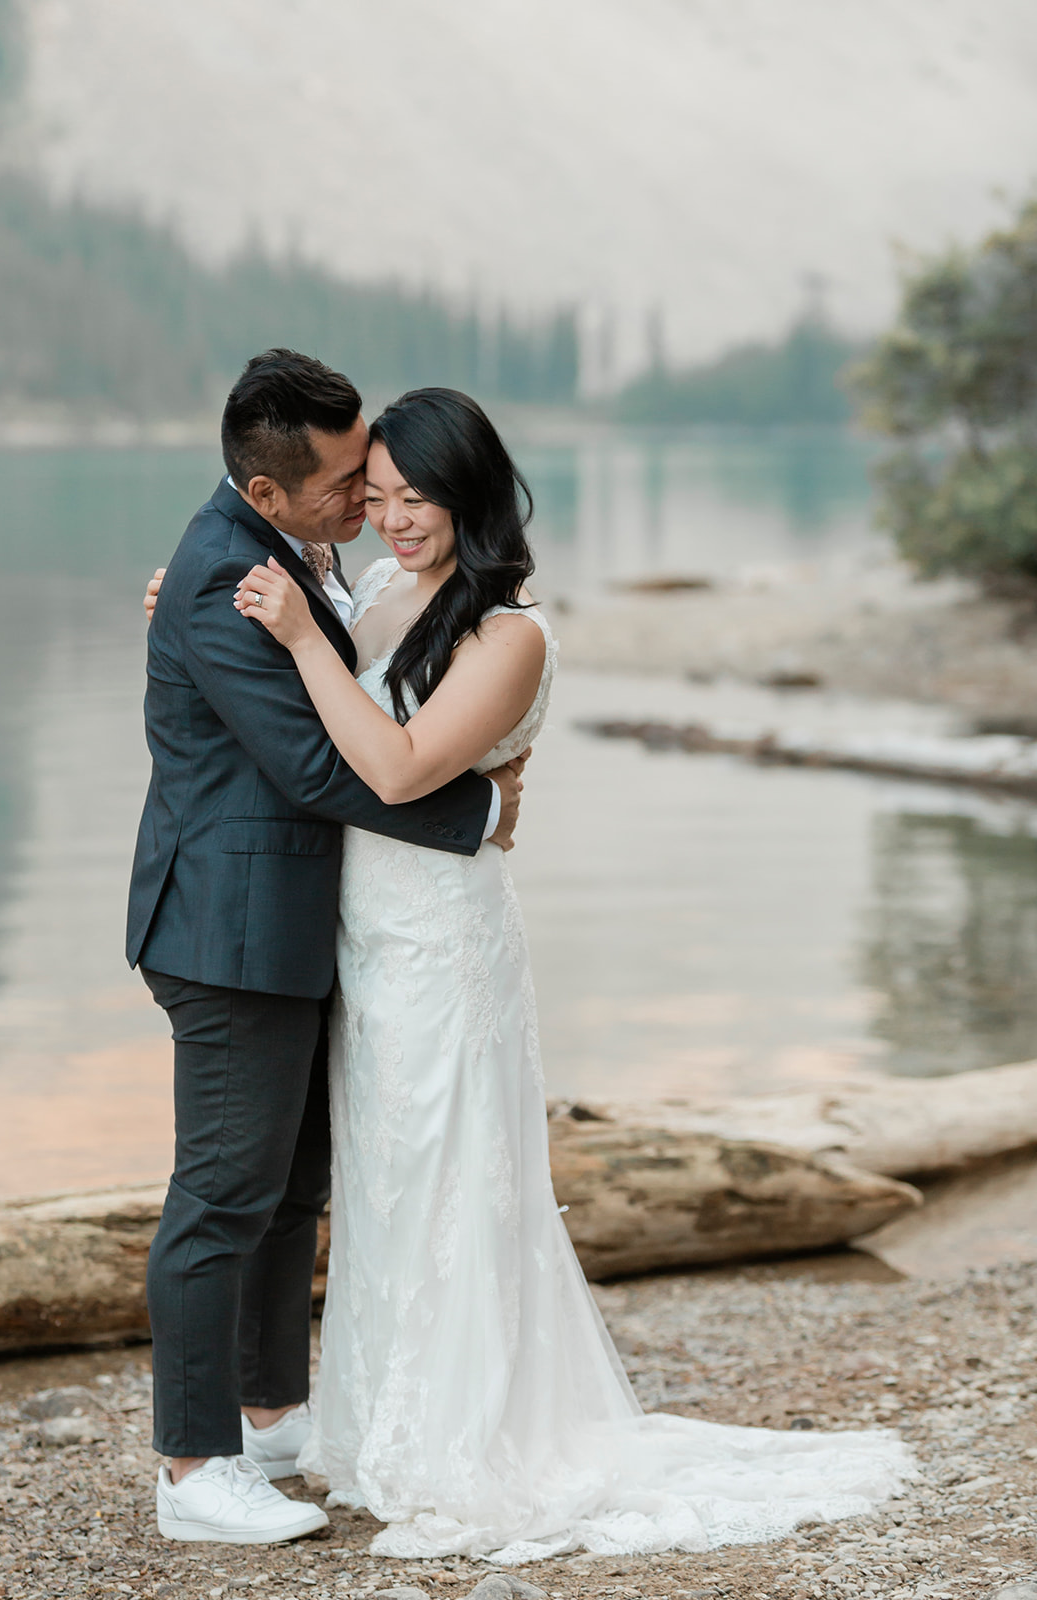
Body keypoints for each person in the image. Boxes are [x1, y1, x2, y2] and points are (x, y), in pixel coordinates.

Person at [217, 385, 917, 1561]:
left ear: (472, 493)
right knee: (387, 1185)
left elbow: (390, 769)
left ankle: (472, 1438)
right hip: (368, 940)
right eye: (375, 496)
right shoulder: (385, 591)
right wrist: (210, 614)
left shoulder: (511, 632)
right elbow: (321, 702)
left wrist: (293, 636)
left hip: (445, 945)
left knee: (453, 1177)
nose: (390, 519)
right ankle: (393, 1422)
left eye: (414, 498)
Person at [128, 351, 524, 1547]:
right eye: (349, 482)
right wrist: (479, 814)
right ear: (265, 493)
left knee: (290, 1184)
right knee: (220, 1193)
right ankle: (194, 1468)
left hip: (300, 926)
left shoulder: (291, 552)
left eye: (378, 473)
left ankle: (269, 1413)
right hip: (229, 929)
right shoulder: (220, 577)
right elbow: (311, 765)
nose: (369, 497)